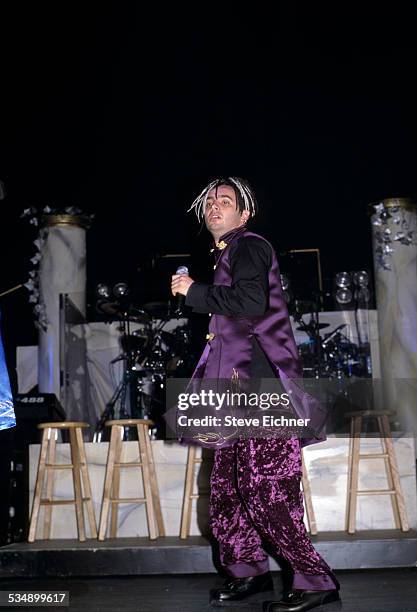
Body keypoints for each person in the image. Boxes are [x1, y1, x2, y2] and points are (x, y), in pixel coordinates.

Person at [171, 177, 340, 611]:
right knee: (227, 489)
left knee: (266, 487)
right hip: (232, 387)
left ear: (244, 214)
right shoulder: (226, 252)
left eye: (225, 201)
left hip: (261, 386)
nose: (214, 206)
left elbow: (250, 302)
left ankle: (314, 578)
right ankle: (249, 573)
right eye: (210, 201)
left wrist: (195, 292)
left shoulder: (250, 244)